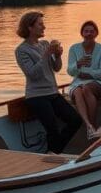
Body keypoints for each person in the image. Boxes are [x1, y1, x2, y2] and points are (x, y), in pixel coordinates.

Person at [14, 11, 82, 153]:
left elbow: (56, 68)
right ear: (30, 27)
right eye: (40, 24)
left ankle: (53, 152)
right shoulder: (21, 50)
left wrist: (57, 56)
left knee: (75, 120)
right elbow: (32, 74)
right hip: (37, 97)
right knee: (53, 129)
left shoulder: (44, 44)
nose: (44, 27)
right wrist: (46, 54)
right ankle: (53, 156)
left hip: (52, 93)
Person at [67, 20, 101, 139]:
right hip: (77, 82)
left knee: (85, 88)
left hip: (97, 82)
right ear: (82, 33)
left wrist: (89, 74)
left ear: (96, 33)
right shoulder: (74, 49)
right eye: (86, 31)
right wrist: (78, 64)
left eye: (91, 31)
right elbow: (70, 71)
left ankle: (92, 124)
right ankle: (89, 125)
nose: (89, 34)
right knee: (78, 91)